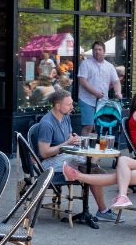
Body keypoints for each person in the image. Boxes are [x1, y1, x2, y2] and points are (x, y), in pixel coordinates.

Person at [34, 90, 111, 227]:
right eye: (68, 104)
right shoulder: (47, 123)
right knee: (89, 167)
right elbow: (44, 153)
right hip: (48, 164)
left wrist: (75, 140)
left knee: (94, 156)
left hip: (65, 156)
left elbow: (69, 138)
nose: (72, 107)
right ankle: (103, 209)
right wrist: (67, 144)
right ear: (58, 106)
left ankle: (91, 173)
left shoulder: (66, 118)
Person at [77, 40, 123, 135]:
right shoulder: (85, 64)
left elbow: (116, 81)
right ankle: (84, 148)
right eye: (95, 49)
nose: (97, 52)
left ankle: (97, 148)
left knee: (102, 126)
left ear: (104, 51)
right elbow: (82, 81)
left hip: (103, 102)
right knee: (88, 125)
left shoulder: (110, 66)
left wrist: (118, 92)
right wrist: (95, 93)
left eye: (99, 49)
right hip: (87, 100)